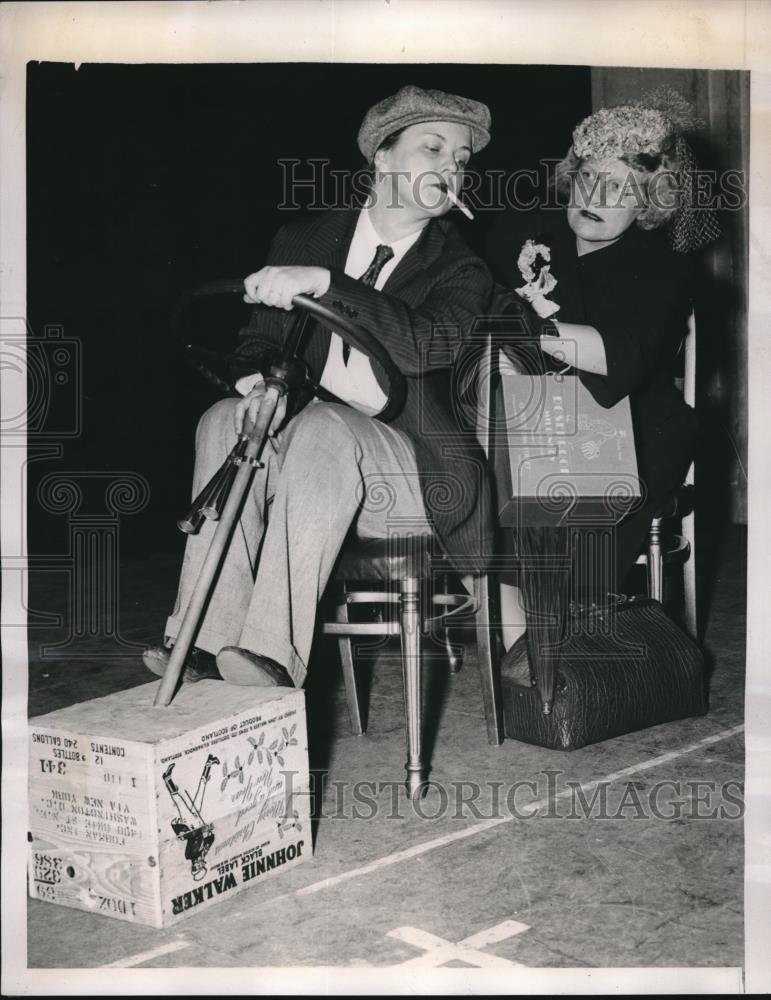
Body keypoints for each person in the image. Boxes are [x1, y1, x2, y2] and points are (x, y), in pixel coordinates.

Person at [144, 84, 495, 688]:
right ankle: (204, 643)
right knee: (224, 418)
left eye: (460, 160)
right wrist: (256, 381)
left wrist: (329, 285)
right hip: (305, 455)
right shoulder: (302, 241)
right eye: (432, 148)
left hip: (412, 476)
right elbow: (258, 344)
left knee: (325, 430)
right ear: (381, 158)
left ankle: (273, 656)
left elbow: (422, 345)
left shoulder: (463, 270)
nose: (449, 168)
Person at [485, 89, 720, 680]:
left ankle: (552, 650)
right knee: (472, 474)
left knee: (565, 490)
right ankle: (529, 658)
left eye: (621, 189)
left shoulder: (665, 267)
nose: (596, 198)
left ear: (648, 204)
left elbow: (625, 355)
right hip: (534, 420)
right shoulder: (531, 240)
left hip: (637, 426)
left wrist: (519, 333)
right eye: (589, 179)